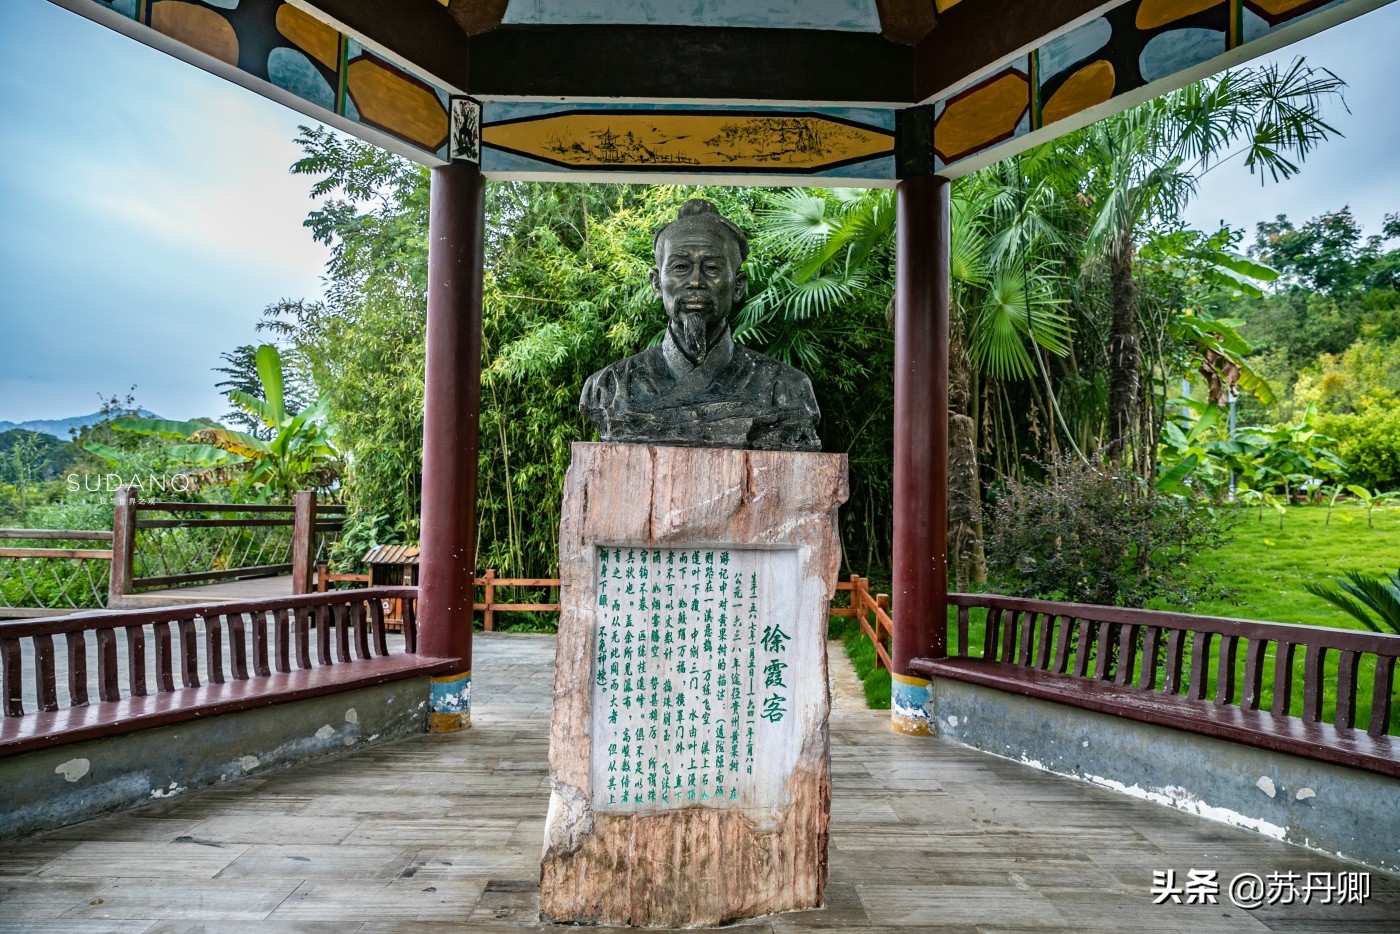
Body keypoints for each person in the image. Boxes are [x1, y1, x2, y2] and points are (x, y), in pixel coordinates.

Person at [580, 199, 821, 451]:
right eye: (681, 267)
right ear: (656, 284)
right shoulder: (609, 387)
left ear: (738, 286)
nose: (695, 281)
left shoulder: (785, 388)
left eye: (712, 268)